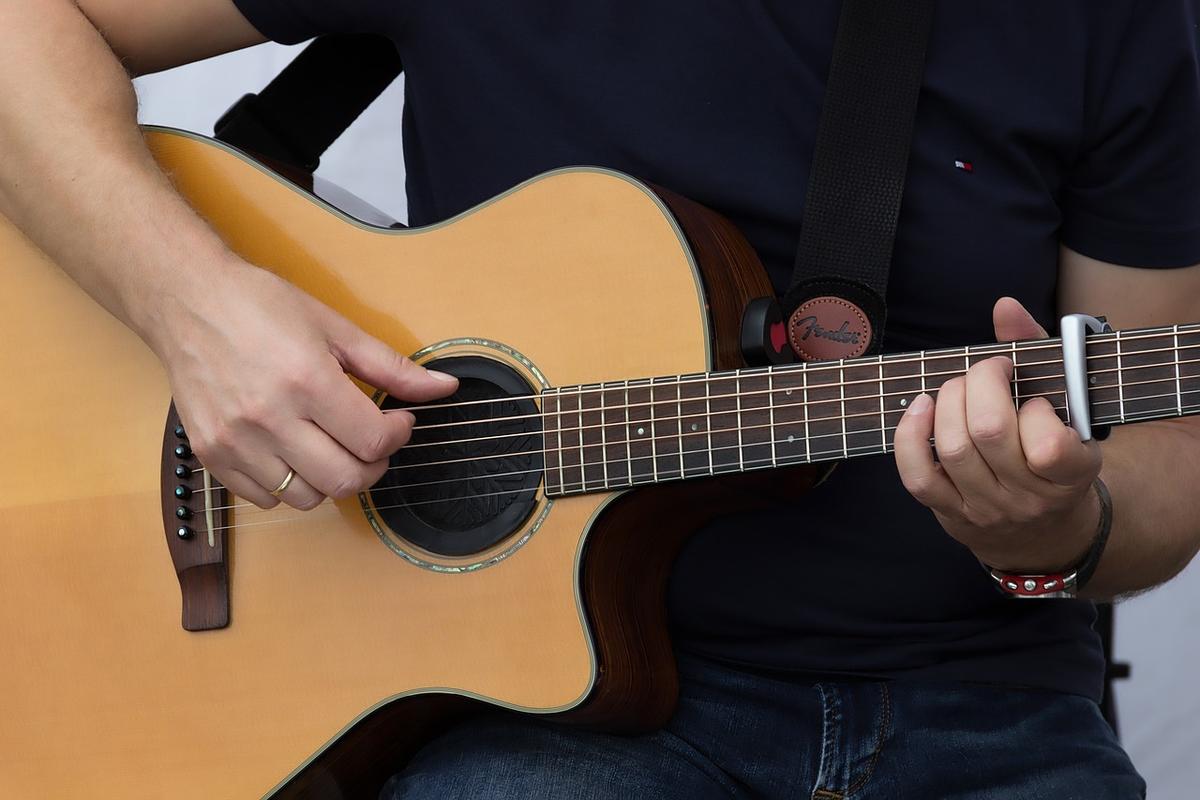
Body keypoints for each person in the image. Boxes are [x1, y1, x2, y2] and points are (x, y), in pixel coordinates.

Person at [3, 1, 1199, 797]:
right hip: (548, 724)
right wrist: (195, 309)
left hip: (976, 709)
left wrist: (1056, 531)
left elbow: (1157, 463)